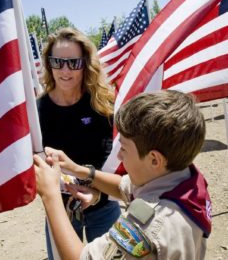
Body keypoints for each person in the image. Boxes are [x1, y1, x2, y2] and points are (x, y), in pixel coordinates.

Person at [34, 90, 212, 259]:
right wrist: (77, 169)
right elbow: (123, 186)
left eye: (124, 149)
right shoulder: (182, 177)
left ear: (154, 160)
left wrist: (50, 195)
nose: (119, 155)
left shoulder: (147, 227)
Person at [37, 27, 121, 258]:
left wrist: (95, 193)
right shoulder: (37, 111)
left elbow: (114, 159)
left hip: (103, 205)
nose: (65, 70)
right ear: (49, 64)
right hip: (60, 210)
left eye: (73, 63)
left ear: (85, 64)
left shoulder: (103, 104)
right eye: (58, 62)